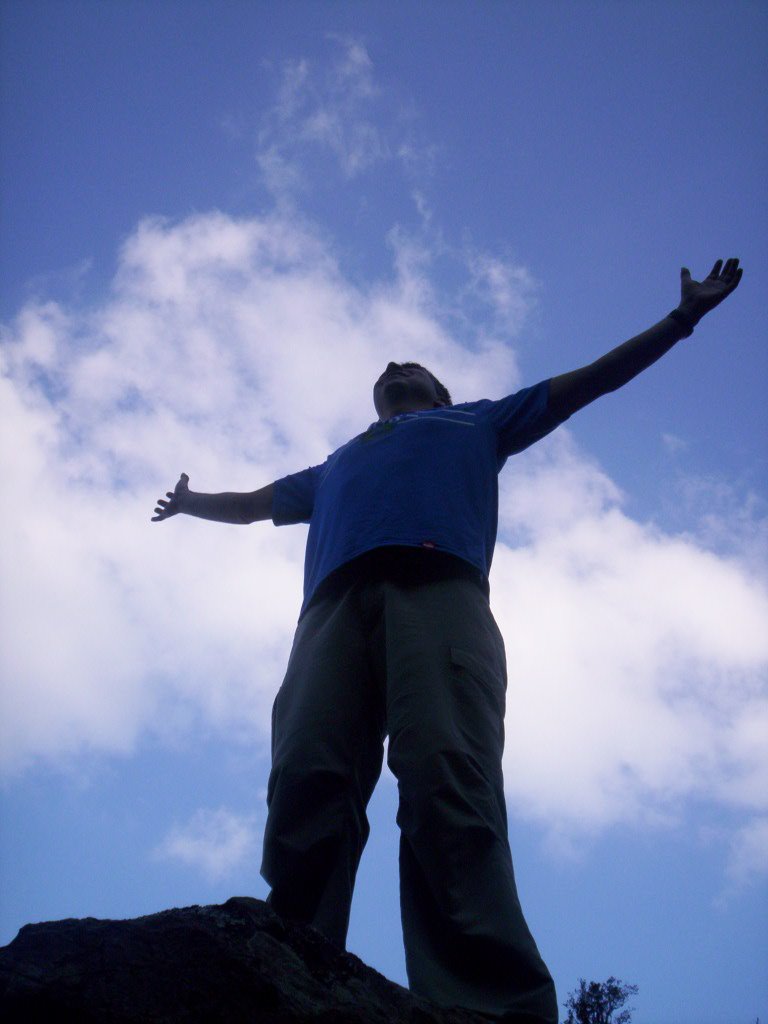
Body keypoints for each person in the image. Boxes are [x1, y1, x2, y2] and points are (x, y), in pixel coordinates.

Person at [152, 259, 742, 1023]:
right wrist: (194, 502)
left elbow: (593, 379)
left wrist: (681, 318)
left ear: (440, 393)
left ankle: (487, 1001)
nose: (396, 365)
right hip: (332, 611)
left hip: (440, 594)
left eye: (414, 365)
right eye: (387, 368)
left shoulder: (477, 422)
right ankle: (288, 950)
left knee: (445, 773)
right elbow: (254, 502)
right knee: (306, 775)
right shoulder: (337, 464)